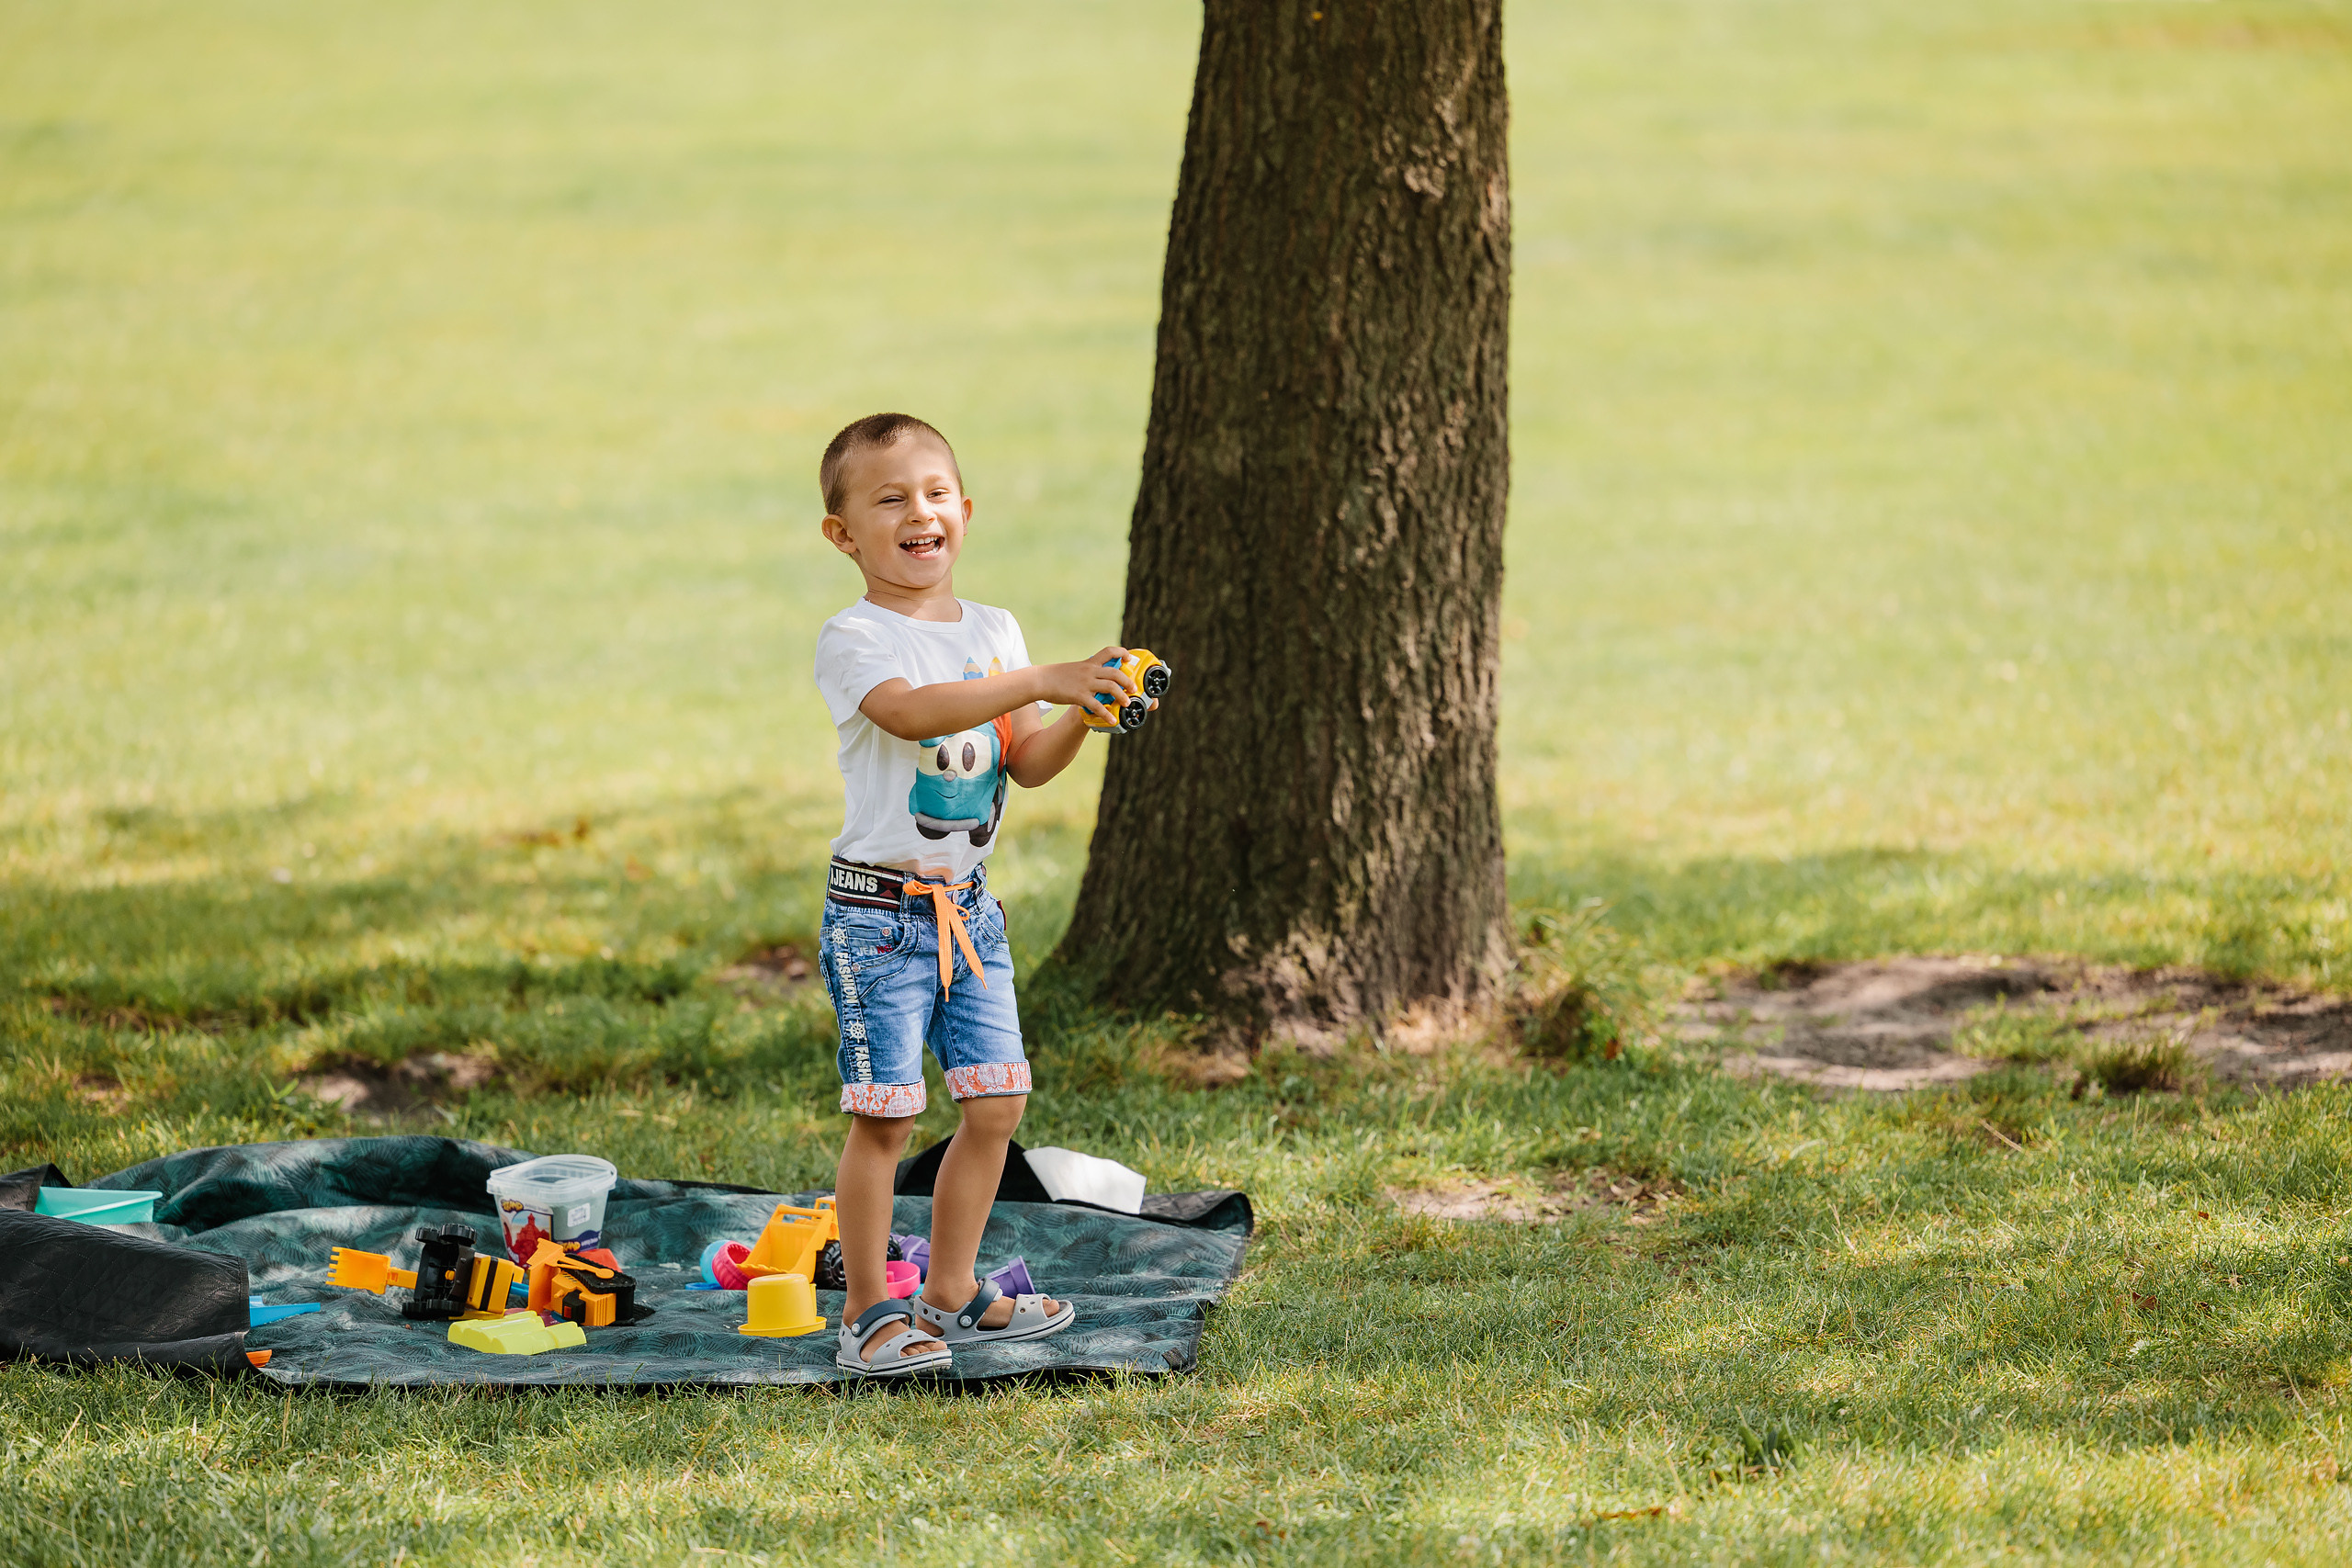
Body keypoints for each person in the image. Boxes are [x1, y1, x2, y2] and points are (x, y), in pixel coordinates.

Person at [808, 412, 1151, 1376]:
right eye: (888, 501)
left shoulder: (994, 631)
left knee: (997, 1104)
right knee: (885, 1116)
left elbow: (1028, 760)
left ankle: (950, 1291)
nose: (918, 513)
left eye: (933, 493)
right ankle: (871, 1311)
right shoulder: (854, 637)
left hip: (971, 915)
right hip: (876, 917)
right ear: (844, 536)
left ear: (964, 509)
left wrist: (1083, 710)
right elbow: (913, 713)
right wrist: (1041, 676)